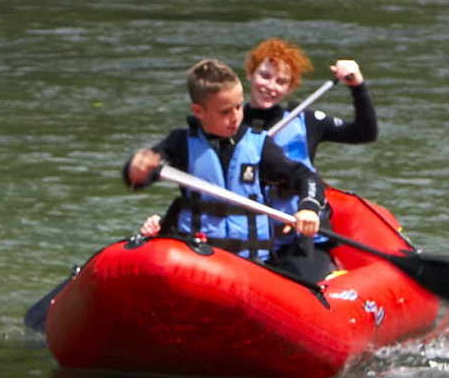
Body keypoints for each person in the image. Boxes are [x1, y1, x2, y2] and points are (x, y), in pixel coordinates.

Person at [123, 58, 323, 264]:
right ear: (199, 112)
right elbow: (138, 177)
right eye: (225, 111)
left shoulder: (258, 145)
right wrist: (137, 169)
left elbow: (305, 176)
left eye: (238, 107)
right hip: (196, 257)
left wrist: (308, 207)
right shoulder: (180, 143)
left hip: (251, 262)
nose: (235, 117)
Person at [243, 38, 379, 168]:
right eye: (265, 76)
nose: (270, 86)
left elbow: (366, 133)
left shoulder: (307, 121)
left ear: (290, 88)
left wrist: (357, 86)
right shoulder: (232, 122)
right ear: (250, 74)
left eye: (281, 82)